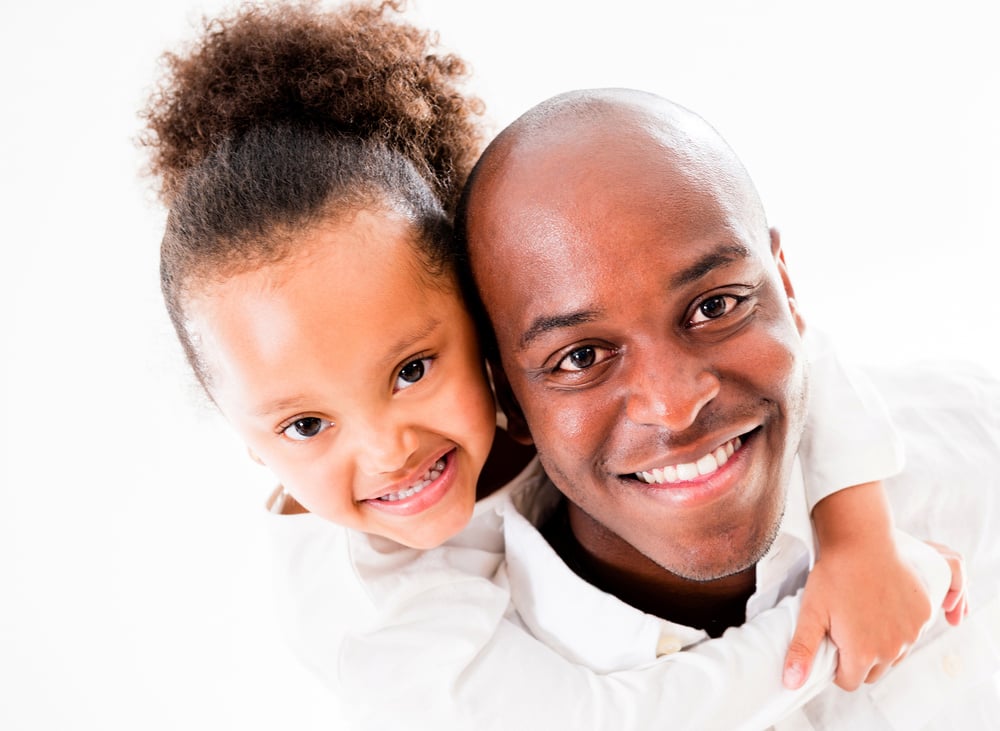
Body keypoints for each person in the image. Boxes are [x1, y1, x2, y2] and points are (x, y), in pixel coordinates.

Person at [141, 3, 963, 728]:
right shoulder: (377, 621)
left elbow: (788, 339)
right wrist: (829, 627)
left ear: (480, 329)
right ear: (249, 443)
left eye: (411, 371)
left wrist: (855, 536)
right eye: (307, 423)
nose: (388, 447)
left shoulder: (532, 385)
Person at [456, 86, 1000, 728]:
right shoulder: (468, 671)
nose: (676, 404)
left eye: (715, 306)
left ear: (786, 286)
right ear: (507, 399)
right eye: (581, 357)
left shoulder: (978, 450)